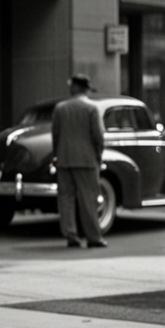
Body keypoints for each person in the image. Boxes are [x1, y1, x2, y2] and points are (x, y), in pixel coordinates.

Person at [52, 73, 107, 249]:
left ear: (74, 87)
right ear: (85, 89)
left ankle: (71, 235)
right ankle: (93, 237)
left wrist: (57, 155)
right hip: (86, 160)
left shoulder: (60, 108)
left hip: (65, 159)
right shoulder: (92, 108)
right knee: (88, 199)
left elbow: (55, 135)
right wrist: (98, 156)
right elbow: (98, 136)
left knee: (66, 199)